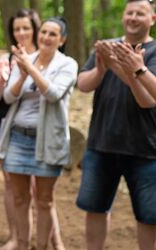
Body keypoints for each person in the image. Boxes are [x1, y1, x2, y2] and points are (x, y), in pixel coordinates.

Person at [75, 1, 156, 249]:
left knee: (149, 216)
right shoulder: (108, 47)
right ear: (123, 17)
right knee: (95, 208)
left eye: (140, 13)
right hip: (102, 144)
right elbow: (83, 84)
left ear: (152, 18)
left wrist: (130, 69)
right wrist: (101, 68)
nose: (133, 17)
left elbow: (147, 100)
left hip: (146, 148)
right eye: (129, 12)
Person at [0, 16, 78, 250]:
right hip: (18, 139)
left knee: (44, 200)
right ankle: (23, 245)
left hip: (48, 140)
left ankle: (41, 246)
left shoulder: (67, 64)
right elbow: (8, 97)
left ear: (62, 40)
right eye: (43, 32)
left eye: (53, 34)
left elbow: (53, 94)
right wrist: (22, 74)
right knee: (20, 198)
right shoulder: (25, 60)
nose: (46, 37)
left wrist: (30, 68)